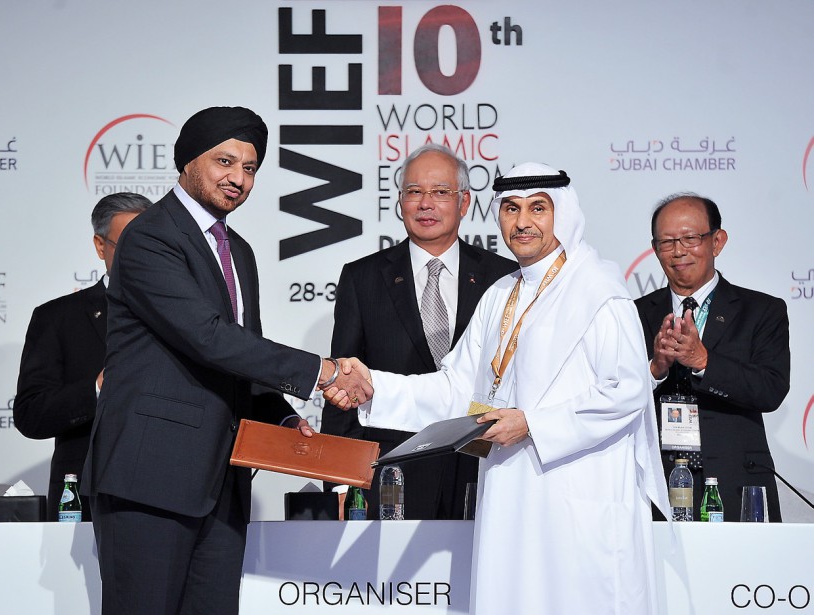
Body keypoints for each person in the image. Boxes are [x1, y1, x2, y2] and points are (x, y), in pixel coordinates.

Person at [328, 162, 669, 615]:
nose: (522, 222)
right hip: (510, 493)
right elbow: (455, 387)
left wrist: (532, 424)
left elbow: (626, 391)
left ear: (562, 215)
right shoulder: (500, 293)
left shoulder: (600, 291)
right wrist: (375, 388)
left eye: (537, 208)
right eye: (510, 208)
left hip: (579, 495)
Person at [82, 106, 371, 615]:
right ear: (188, 162)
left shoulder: (236, 249)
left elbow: (241, 354)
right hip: (151, 476)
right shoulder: (149, 237)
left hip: (221, 482)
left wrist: (280, 417)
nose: (238, 178)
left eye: (251, 168)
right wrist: (323, 372)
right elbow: (207, 338)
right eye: (225, 162)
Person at [320, 144, 517, 520]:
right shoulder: (362, 278)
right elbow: (342, 383)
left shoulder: (503, 278)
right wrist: (341, 480)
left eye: (441, 192)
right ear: (399, 202)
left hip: (484, 467)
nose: (426, 203)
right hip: (393, 473)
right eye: (414, 192)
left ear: (464, 203)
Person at [635, 192, 790, 522]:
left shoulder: (761, 311)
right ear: (654, 248)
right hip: (654, 487)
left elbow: (770, 389)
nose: (678, 251)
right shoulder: (633, 314)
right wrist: (655, 369)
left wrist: (704, 361)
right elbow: (611, 397)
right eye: (667, 242)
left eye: (690, 238)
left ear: (717, 241)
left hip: (737, 484)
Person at [14, 192, 151, 521]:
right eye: (128, 244)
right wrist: (98, 388)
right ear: (100, 245)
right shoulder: (59, 318)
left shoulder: (191, 315)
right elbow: (31, 414)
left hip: (174, 498)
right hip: (88, 502)